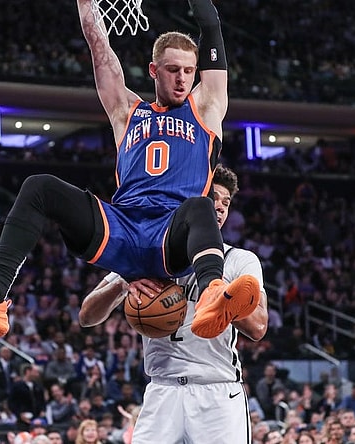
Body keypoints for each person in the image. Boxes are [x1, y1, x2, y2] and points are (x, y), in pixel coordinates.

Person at [0, 0, 259, 339]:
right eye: (173, 69)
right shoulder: (126, 111)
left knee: (200, 204)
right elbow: (99, 48)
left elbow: (210, 25)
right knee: (39, 187)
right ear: (154, 70)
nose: (182, 78)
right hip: (122, 228)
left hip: (171, 235)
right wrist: (85, 3)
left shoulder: (206, 107)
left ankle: (212, 292)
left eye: (188, 71)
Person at [79, 165, 268, 443]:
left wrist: (224, 301)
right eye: (212, 198)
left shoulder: (239, 260)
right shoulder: (148, 254)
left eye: (226, 203)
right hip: (162, 390)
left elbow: (259, 327)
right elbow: (86, 315)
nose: (219, 207)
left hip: (216, 390)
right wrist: (122, 284)